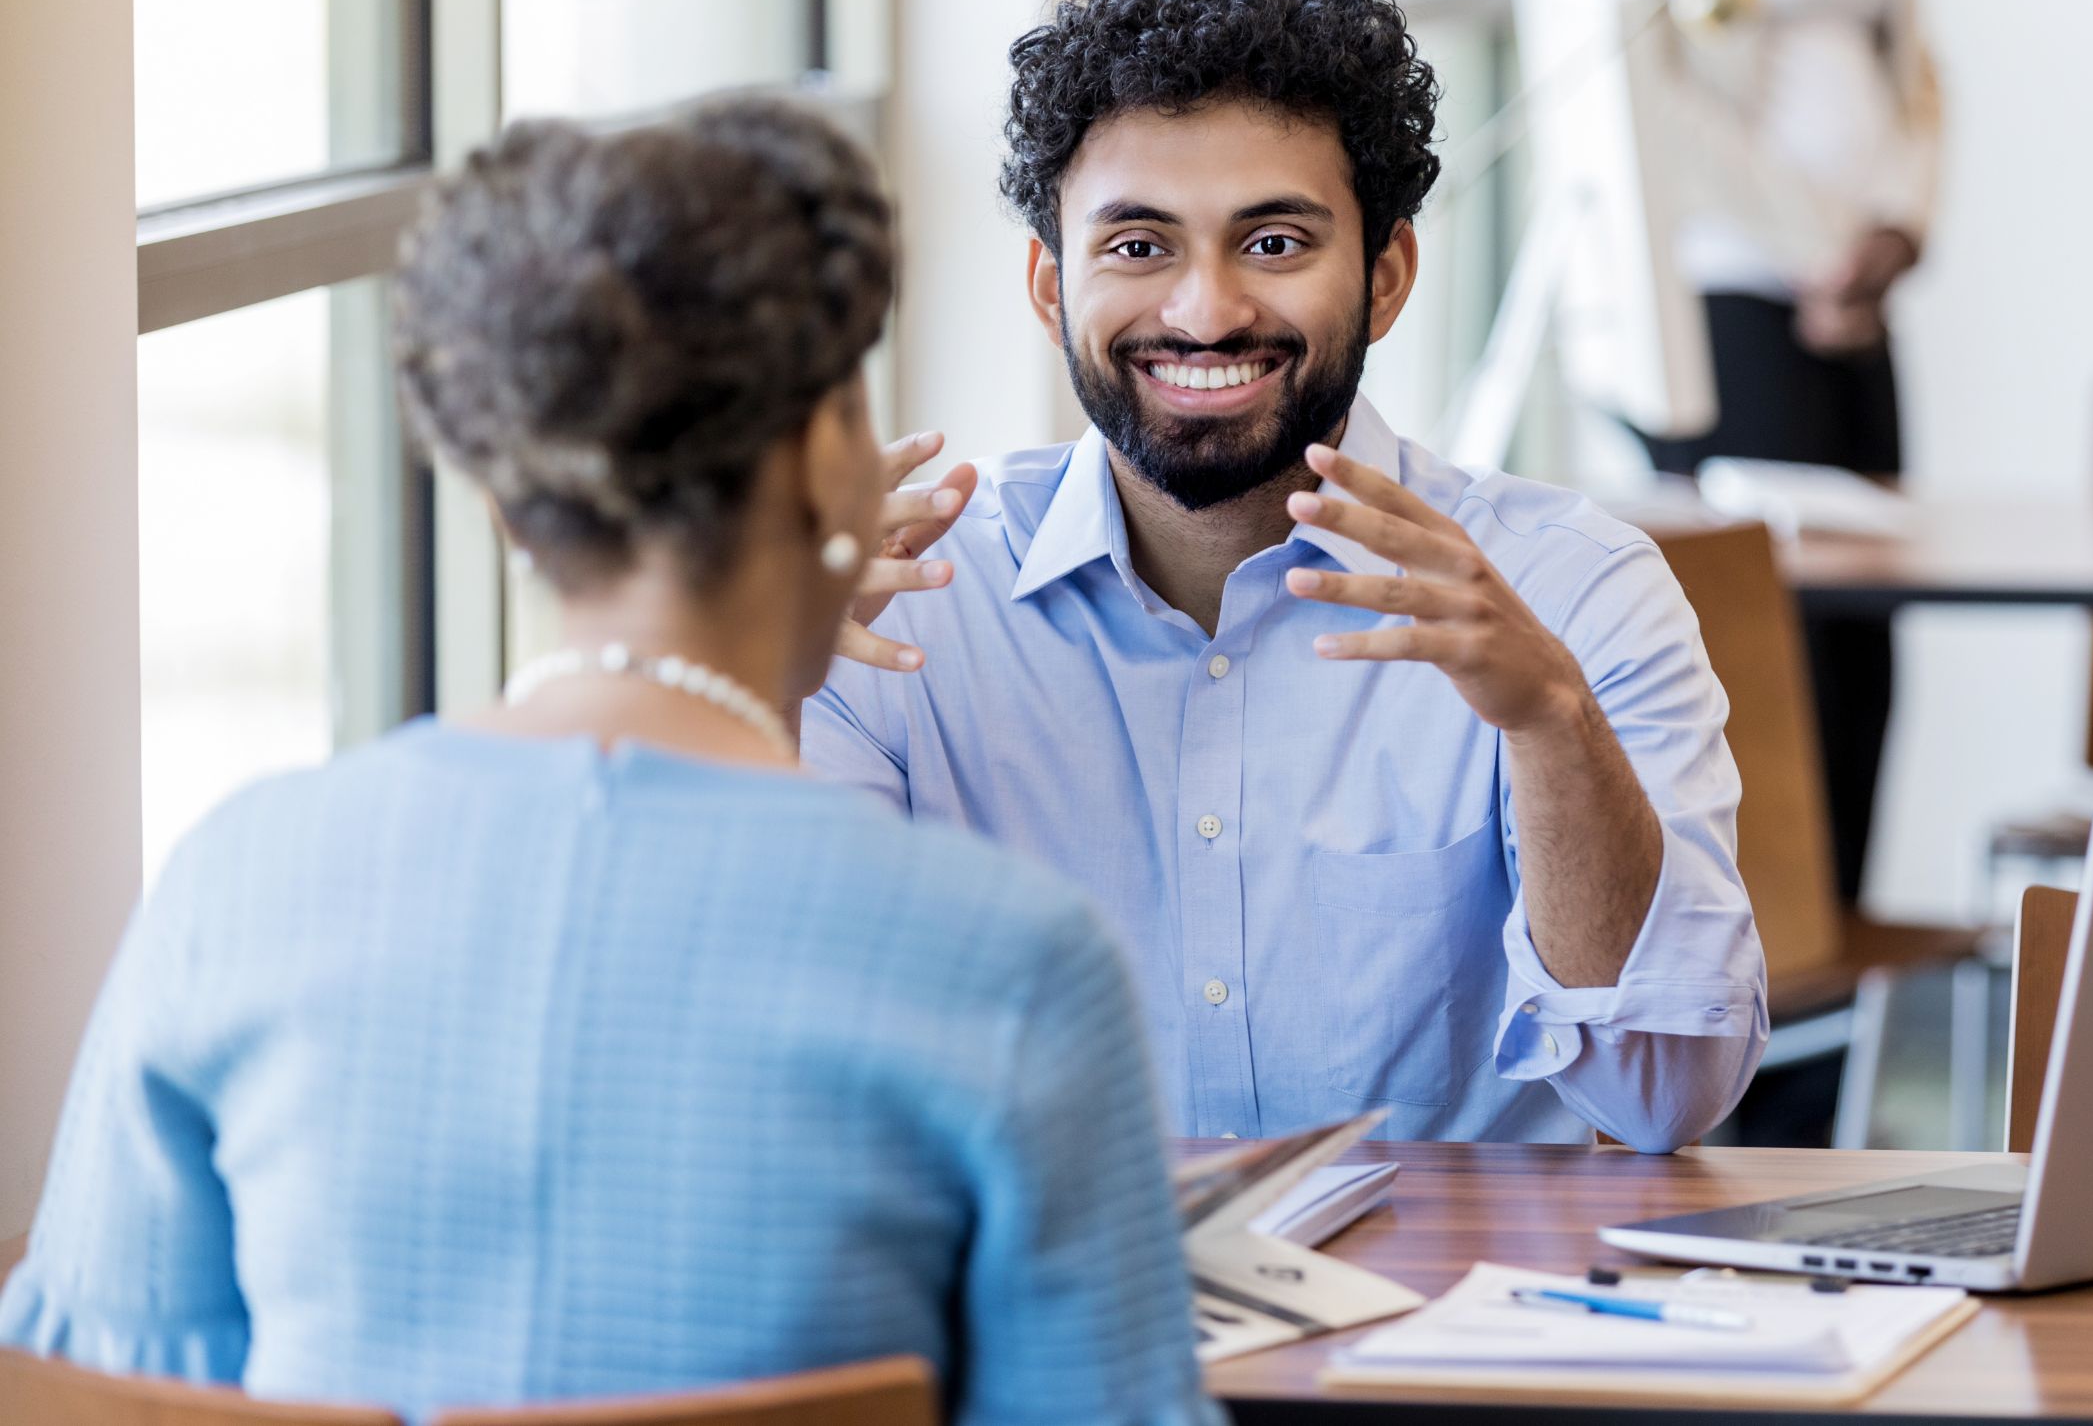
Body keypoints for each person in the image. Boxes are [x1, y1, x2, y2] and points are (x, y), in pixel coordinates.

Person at [0, 101, 1218, 1426]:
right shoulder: (1011, 962)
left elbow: (100, 1389)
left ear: (497, 490)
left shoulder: (234, 880)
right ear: (824, 457)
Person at [801, 0, 1767, 1154]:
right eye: (1139, 246)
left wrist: (1549, 720)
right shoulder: (900, 610)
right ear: (1052, 288)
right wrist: (745, 682)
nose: (1204, 314)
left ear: (1388, 275)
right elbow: (784, 1079)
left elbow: (1665, 1098)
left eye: (1271, 244)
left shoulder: (1575, 590)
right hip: (1061, 1309)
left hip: (1458, 1326)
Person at [1514, 0, 1942, 915]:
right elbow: (1614, 68)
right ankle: (1753, 1046)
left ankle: (1827, 1055)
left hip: (1855, 299)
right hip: (1711, 297)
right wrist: (1819, 241)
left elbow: (1913, 55)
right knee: (1762, 681)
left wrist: (1898, 222)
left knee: (1862, 664)